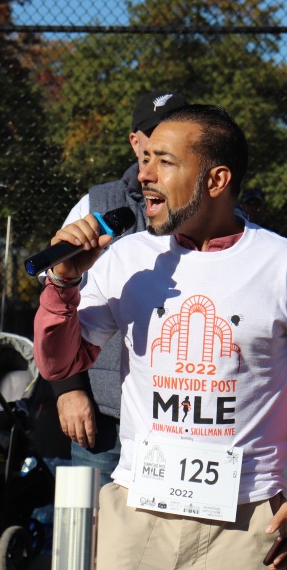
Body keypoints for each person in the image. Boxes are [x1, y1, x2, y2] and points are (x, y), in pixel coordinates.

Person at [34, 104, 287, 569]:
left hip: (246, 521)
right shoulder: (126, 258)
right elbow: (60, 365)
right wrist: (63, 283)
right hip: (136, 511)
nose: (144, 174)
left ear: (215, 180)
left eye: (164, 162)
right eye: (145, 159)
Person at [50, 90, 187, 487]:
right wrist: (68, 390)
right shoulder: (96, 205)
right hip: (104, 420)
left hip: (182, 423)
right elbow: (58, 301)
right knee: (90, 539)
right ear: (135, 141)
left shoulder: (210, 213)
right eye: (153, 133)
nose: (162, 141)